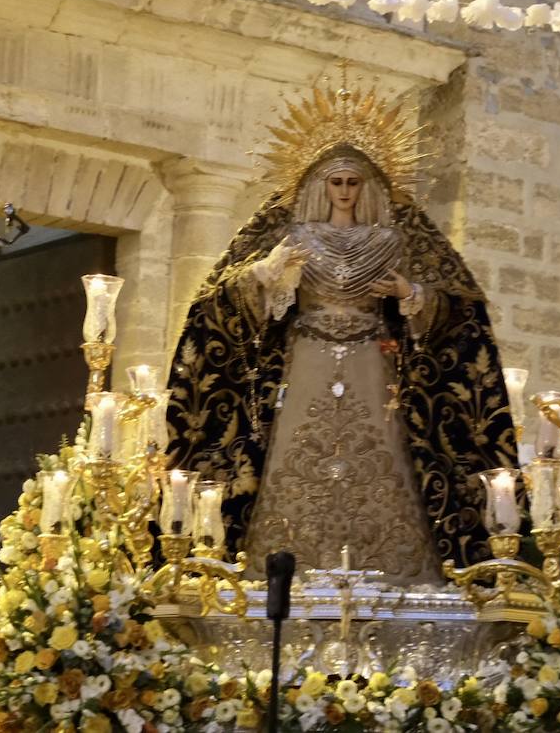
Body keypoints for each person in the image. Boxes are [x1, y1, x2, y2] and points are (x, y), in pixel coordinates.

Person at [167, 74, 517, 581]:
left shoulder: (395, 240)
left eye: (354, 183)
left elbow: (458, 313)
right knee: (295, 450)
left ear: (368, 186)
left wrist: (410, 296)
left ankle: (394, 572)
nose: (346, 192)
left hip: (373, 359)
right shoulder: (294, 238)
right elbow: (228, 300)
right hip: (306, 355)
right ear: (319, 186)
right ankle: (284, 569)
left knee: (383, 451)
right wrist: (268, 277)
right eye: (336, 182)